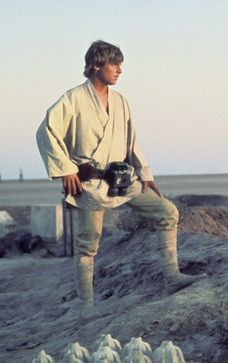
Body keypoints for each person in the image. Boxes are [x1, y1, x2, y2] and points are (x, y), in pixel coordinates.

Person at [36, 40, 206, 319]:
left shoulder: (121, 102)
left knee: (168, 212)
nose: (119, 70)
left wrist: (145, 174)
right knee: (87, 245)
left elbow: (132, 142)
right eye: (114, 64)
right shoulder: (73, 99)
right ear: (95, 65)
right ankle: (86, 305)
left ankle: (172, 277)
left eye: (120, 64)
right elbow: (46, 132)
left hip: (123, 181)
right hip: (89, 184)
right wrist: (65, 169)